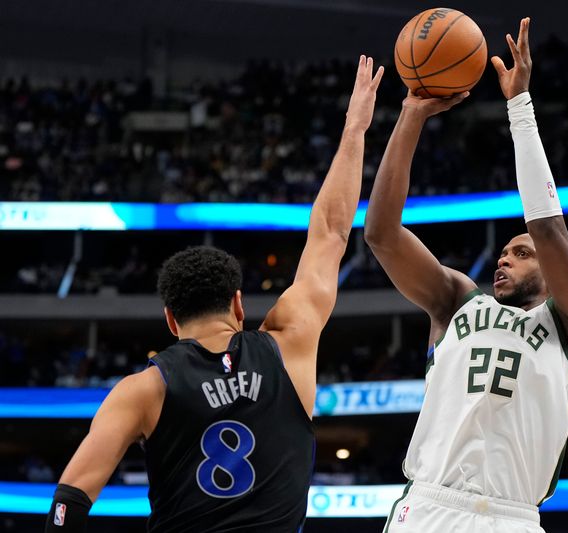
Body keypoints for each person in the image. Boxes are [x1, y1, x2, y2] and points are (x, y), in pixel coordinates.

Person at [45, 56, 384, 533]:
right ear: (239, 305)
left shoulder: (143, 389)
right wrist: (354, 128)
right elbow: (330, 231)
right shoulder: (289, 343)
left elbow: (71, 497)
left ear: (170, 318)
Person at [365, 18, 568, 533]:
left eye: (521, 253)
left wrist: (519, 106)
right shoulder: (456, 299)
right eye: (503, 254)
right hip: (429, 507)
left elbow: (548, 228)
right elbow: (381, 234)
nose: (503, 259)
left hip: (513, 517)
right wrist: (409, 115)